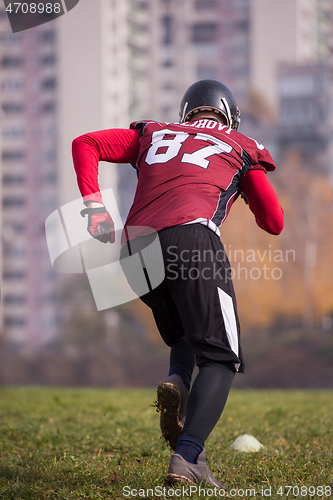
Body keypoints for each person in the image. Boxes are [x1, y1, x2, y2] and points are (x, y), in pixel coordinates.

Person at [72, 79, 284, 487]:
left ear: (187, 112)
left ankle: (178, 383)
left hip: (134, 247)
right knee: (222, 356)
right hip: (192, 239)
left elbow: (86, 143)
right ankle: (187, 459)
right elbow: (274, 222)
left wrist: (95, 206)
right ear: (229, 115)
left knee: (187, 332)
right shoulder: (238, 143)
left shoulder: (154, 132)